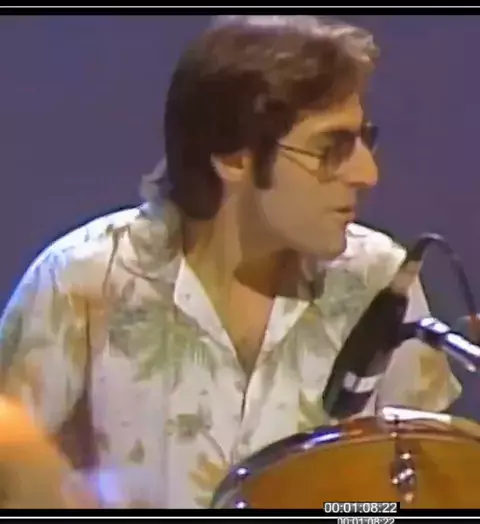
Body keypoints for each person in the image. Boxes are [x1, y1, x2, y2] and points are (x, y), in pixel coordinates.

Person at [0, 15, 460, 509]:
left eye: (365, 139)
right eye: (331, 147)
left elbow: (422, 500)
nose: (367, 174)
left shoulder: (381, 281)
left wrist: (349, 515)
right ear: (234, 157)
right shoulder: (84, 280)